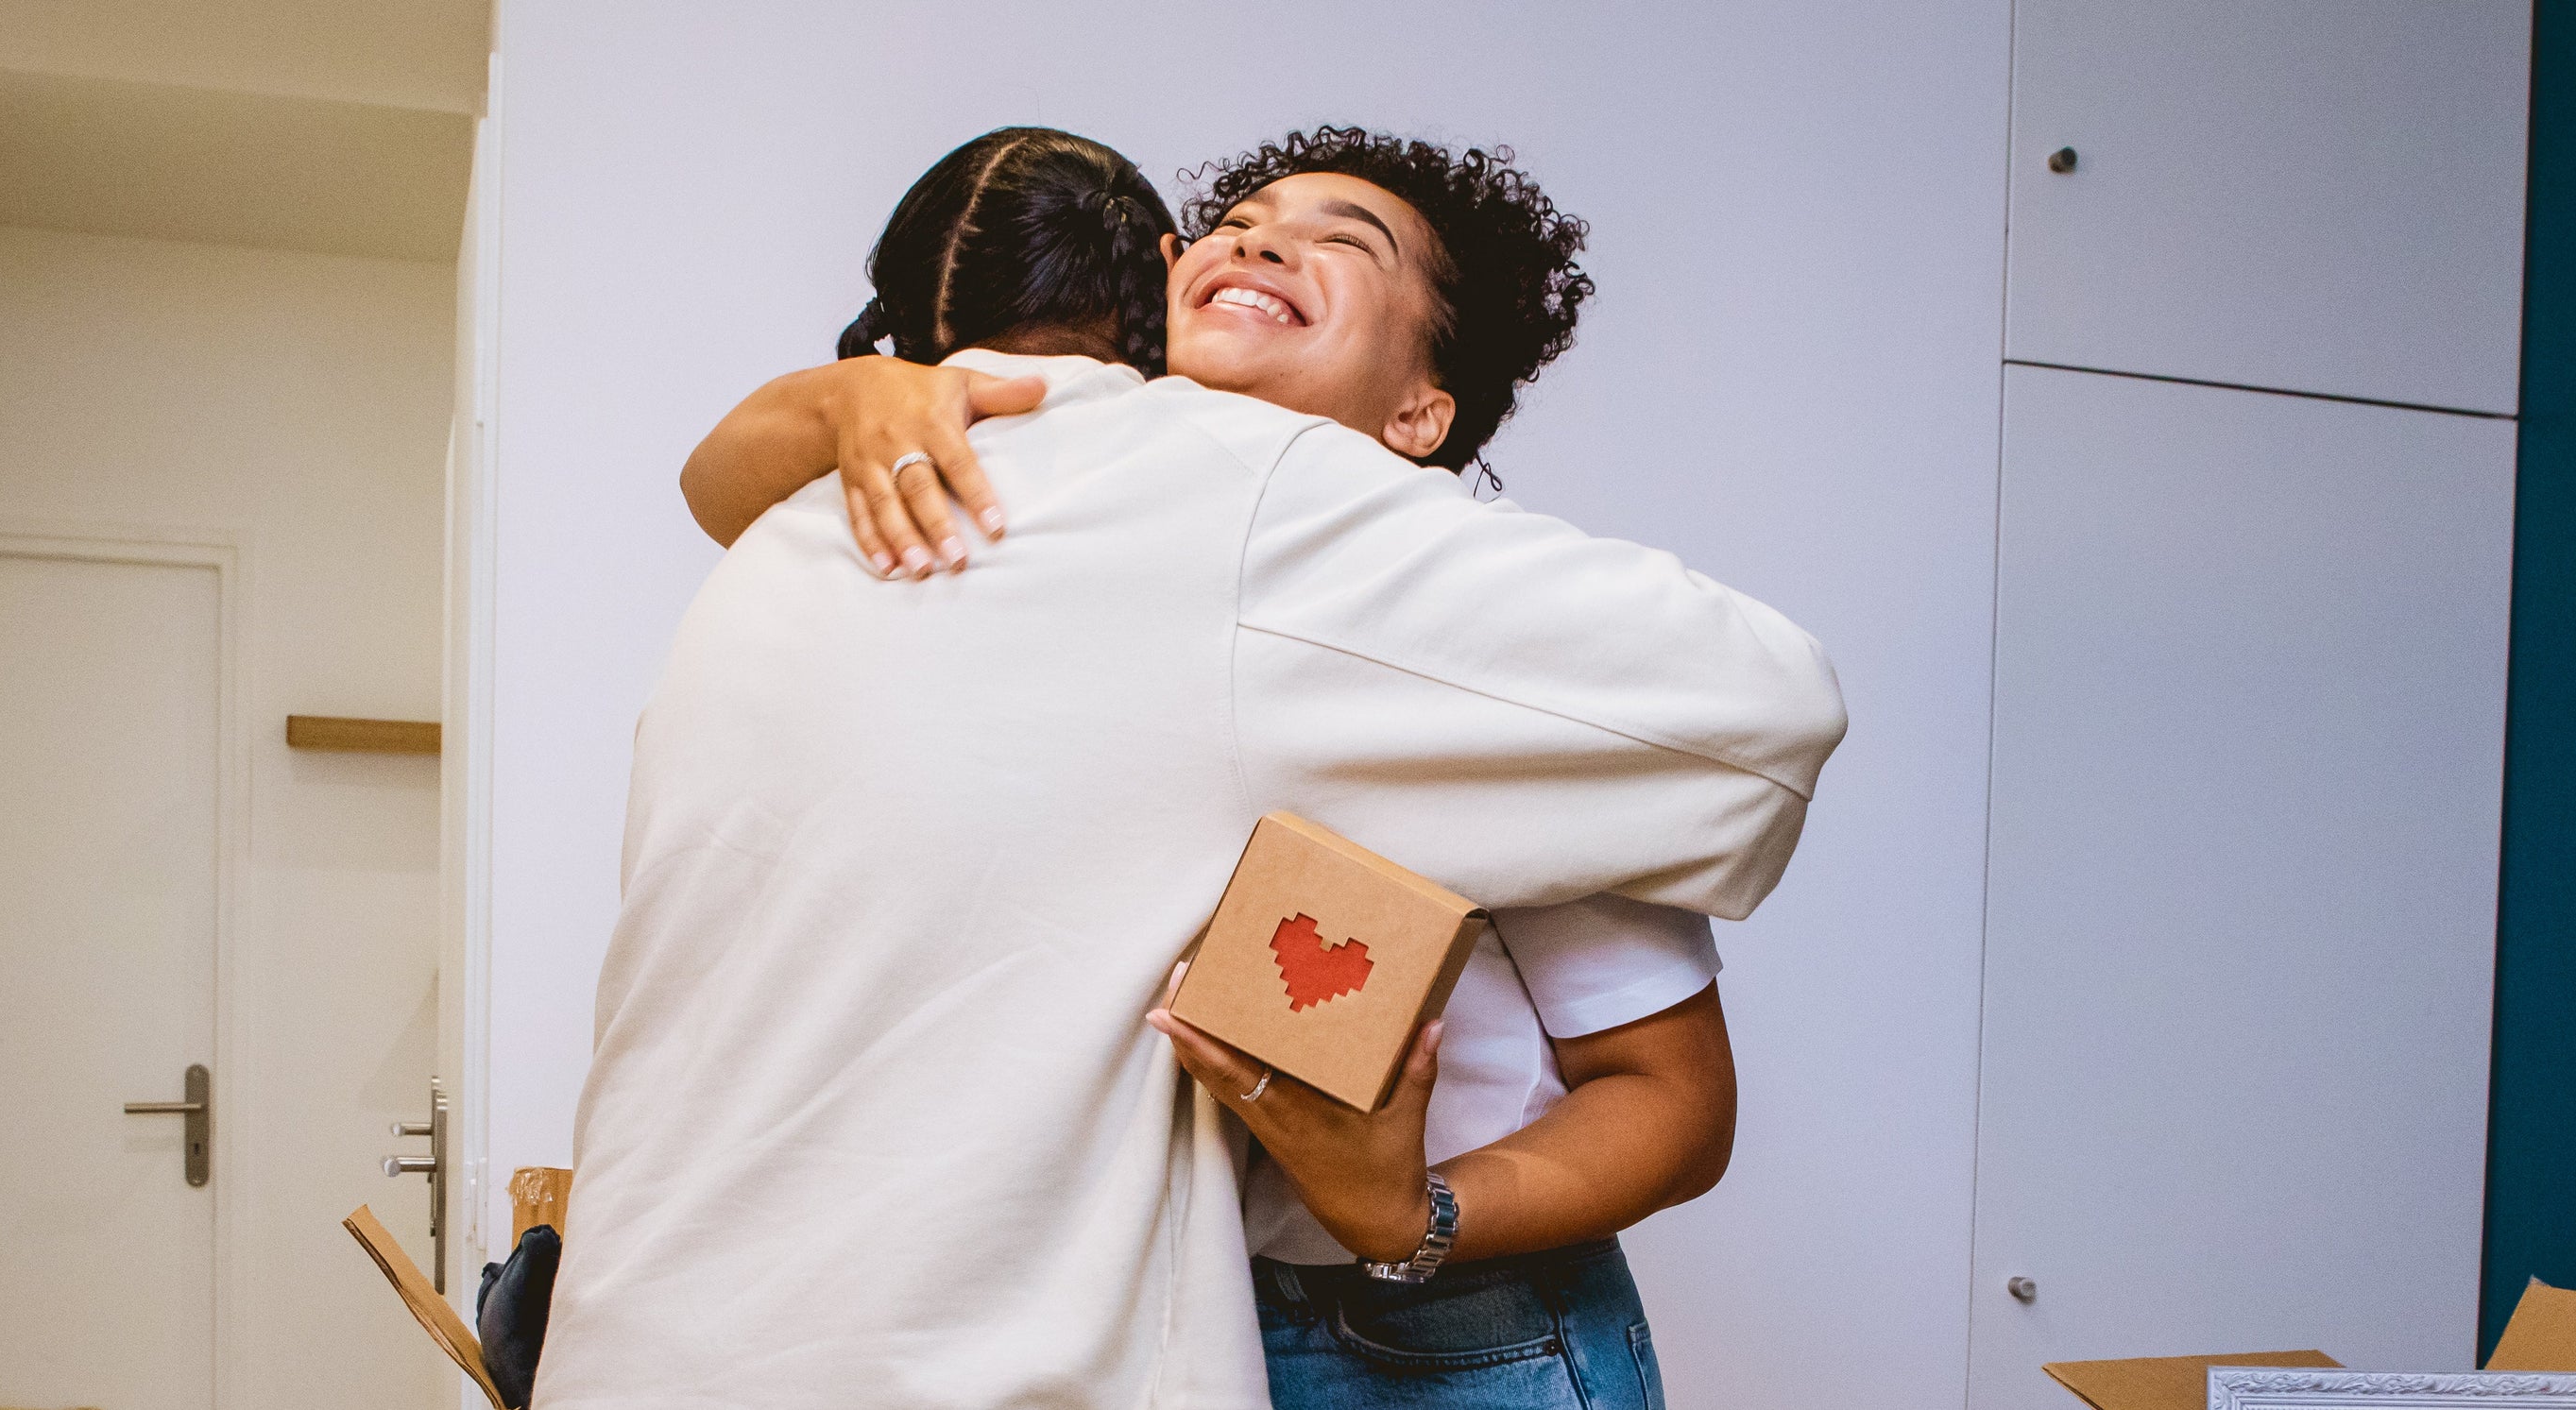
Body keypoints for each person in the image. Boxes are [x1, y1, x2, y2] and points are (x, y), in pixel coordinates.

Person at [530, 127, 1844, 1410]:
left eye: (1347, 240)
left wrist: (1418, 1214)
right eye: (1237, 224)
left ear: (1421, 407)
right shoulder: (1104, 539)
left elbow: (1675, 1096)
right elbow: (724, 489)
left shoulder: (1476, 652)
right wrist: (841, 397)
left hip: (1452, 1331)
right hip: (1208, 1299)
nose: (1264, 237)